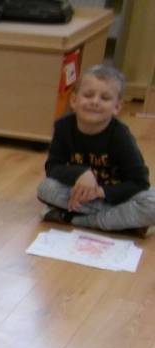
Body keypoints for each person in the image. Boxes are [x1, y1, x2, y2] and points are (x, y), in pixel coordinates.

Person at [37, 63, 154, 236]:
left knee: (152, 204)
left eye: (105, 98)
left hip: (115, 197)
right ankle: (119, 222)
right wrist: (81, 173)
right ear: (74, 100)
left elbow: (140, 182)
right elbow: (52, 167)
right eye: (88, 95)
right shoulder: (63, 127)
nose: (95, 102)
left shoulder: (120, 136)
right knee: (46, 188)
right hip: (80, 194)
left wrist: (101, 192)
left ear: (117, 107)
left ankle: (74, 219)